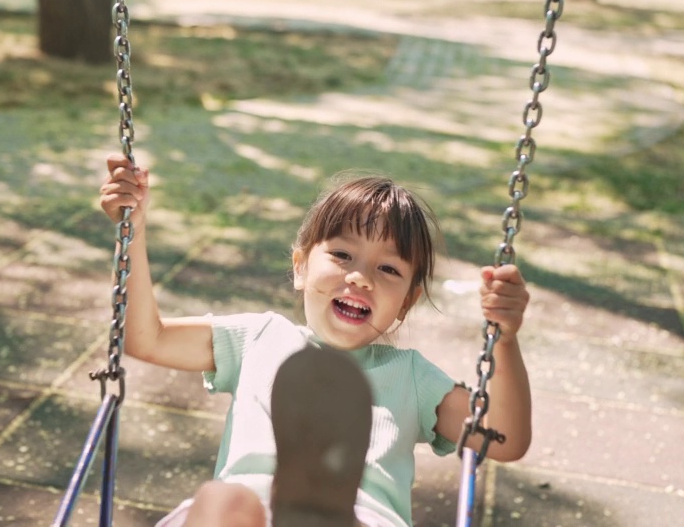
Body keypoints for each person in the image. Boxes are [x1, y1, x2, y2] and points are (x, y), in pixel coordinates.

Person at [98, 154, 532, 527]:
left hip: (359, 517)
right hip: (252, 514)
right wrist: (131, 232)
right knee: (221, 500)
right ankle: (295, 501)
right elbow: (145, 339)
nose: (360, 277)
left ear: (406, 302)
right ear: (301, 266)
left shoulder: (411, 377)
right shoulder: (259, 338)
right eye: (342, 255)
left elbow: (505, 438)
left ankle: (323, 505)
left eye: (389, 270)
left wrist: (506, 339)